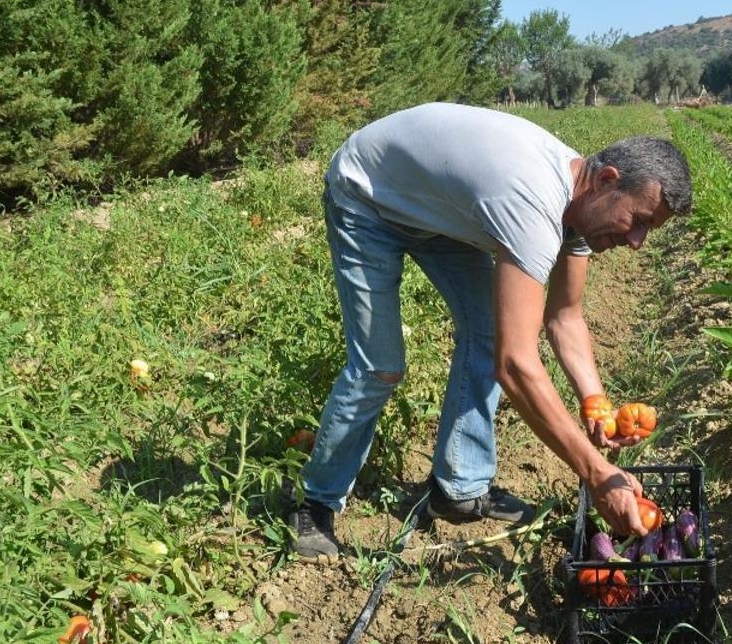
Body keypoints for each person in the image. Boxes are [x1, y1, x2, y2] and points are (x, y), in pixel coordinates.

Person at [289, 102, 692, 563]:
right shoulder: (532, 204)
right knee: (379, 367)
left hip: (434, 208)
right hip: (368, 194)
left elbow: (565, 317)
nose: (637, 242)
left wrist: (594, 404)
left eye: (648, 231)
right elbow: (515, 365)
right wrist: (595, 473)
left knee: (485, 329)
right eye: (638, 221)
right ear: (607, 181)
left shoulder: (583, 207)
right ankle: (316, 503)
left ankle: (458, 488)